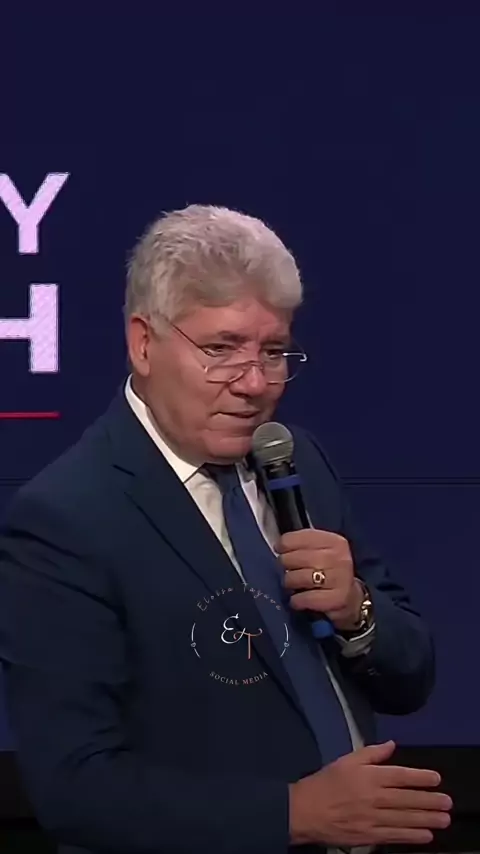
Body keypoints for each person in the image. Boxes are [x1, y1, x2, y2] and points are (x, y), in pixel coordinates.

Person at [0, 205, 452, 854]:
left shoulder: (297, 462)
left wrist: (357, 611)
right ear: (143, 344)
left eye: (273, 352)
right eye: (220, 350)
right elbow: (74, 788)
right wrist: (295, 813)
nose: (255, 384)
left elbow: (412, 678)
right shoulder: (65, 519)